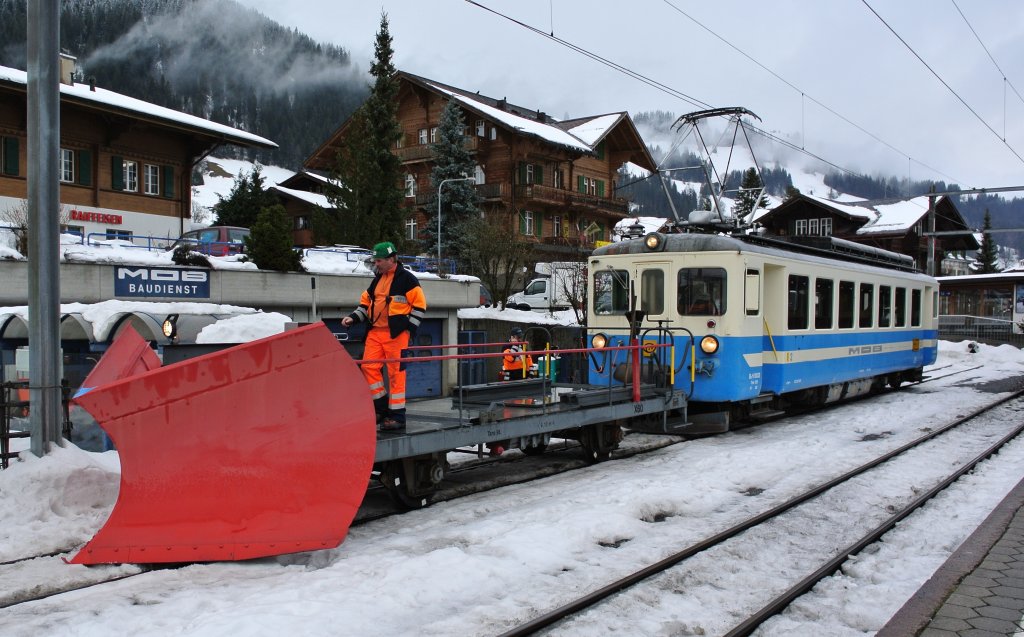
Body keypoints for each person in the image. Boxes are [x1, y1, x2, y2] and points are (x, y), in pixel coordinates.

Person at [341, 242, 426, 431]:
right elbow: (365, 306)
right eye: (375, 261)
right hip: (375, 333)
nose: (376, 264)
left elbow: (420, 307)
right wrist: (352, 318)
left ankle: (397, 417)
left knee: (396, 375)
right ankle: (381, 408)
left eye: (379, 260)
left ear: (391, 259)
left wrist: (409, 330)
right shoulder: (377, 279)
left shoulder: (408, 279)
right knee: (369, 368)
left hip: (396, 335)